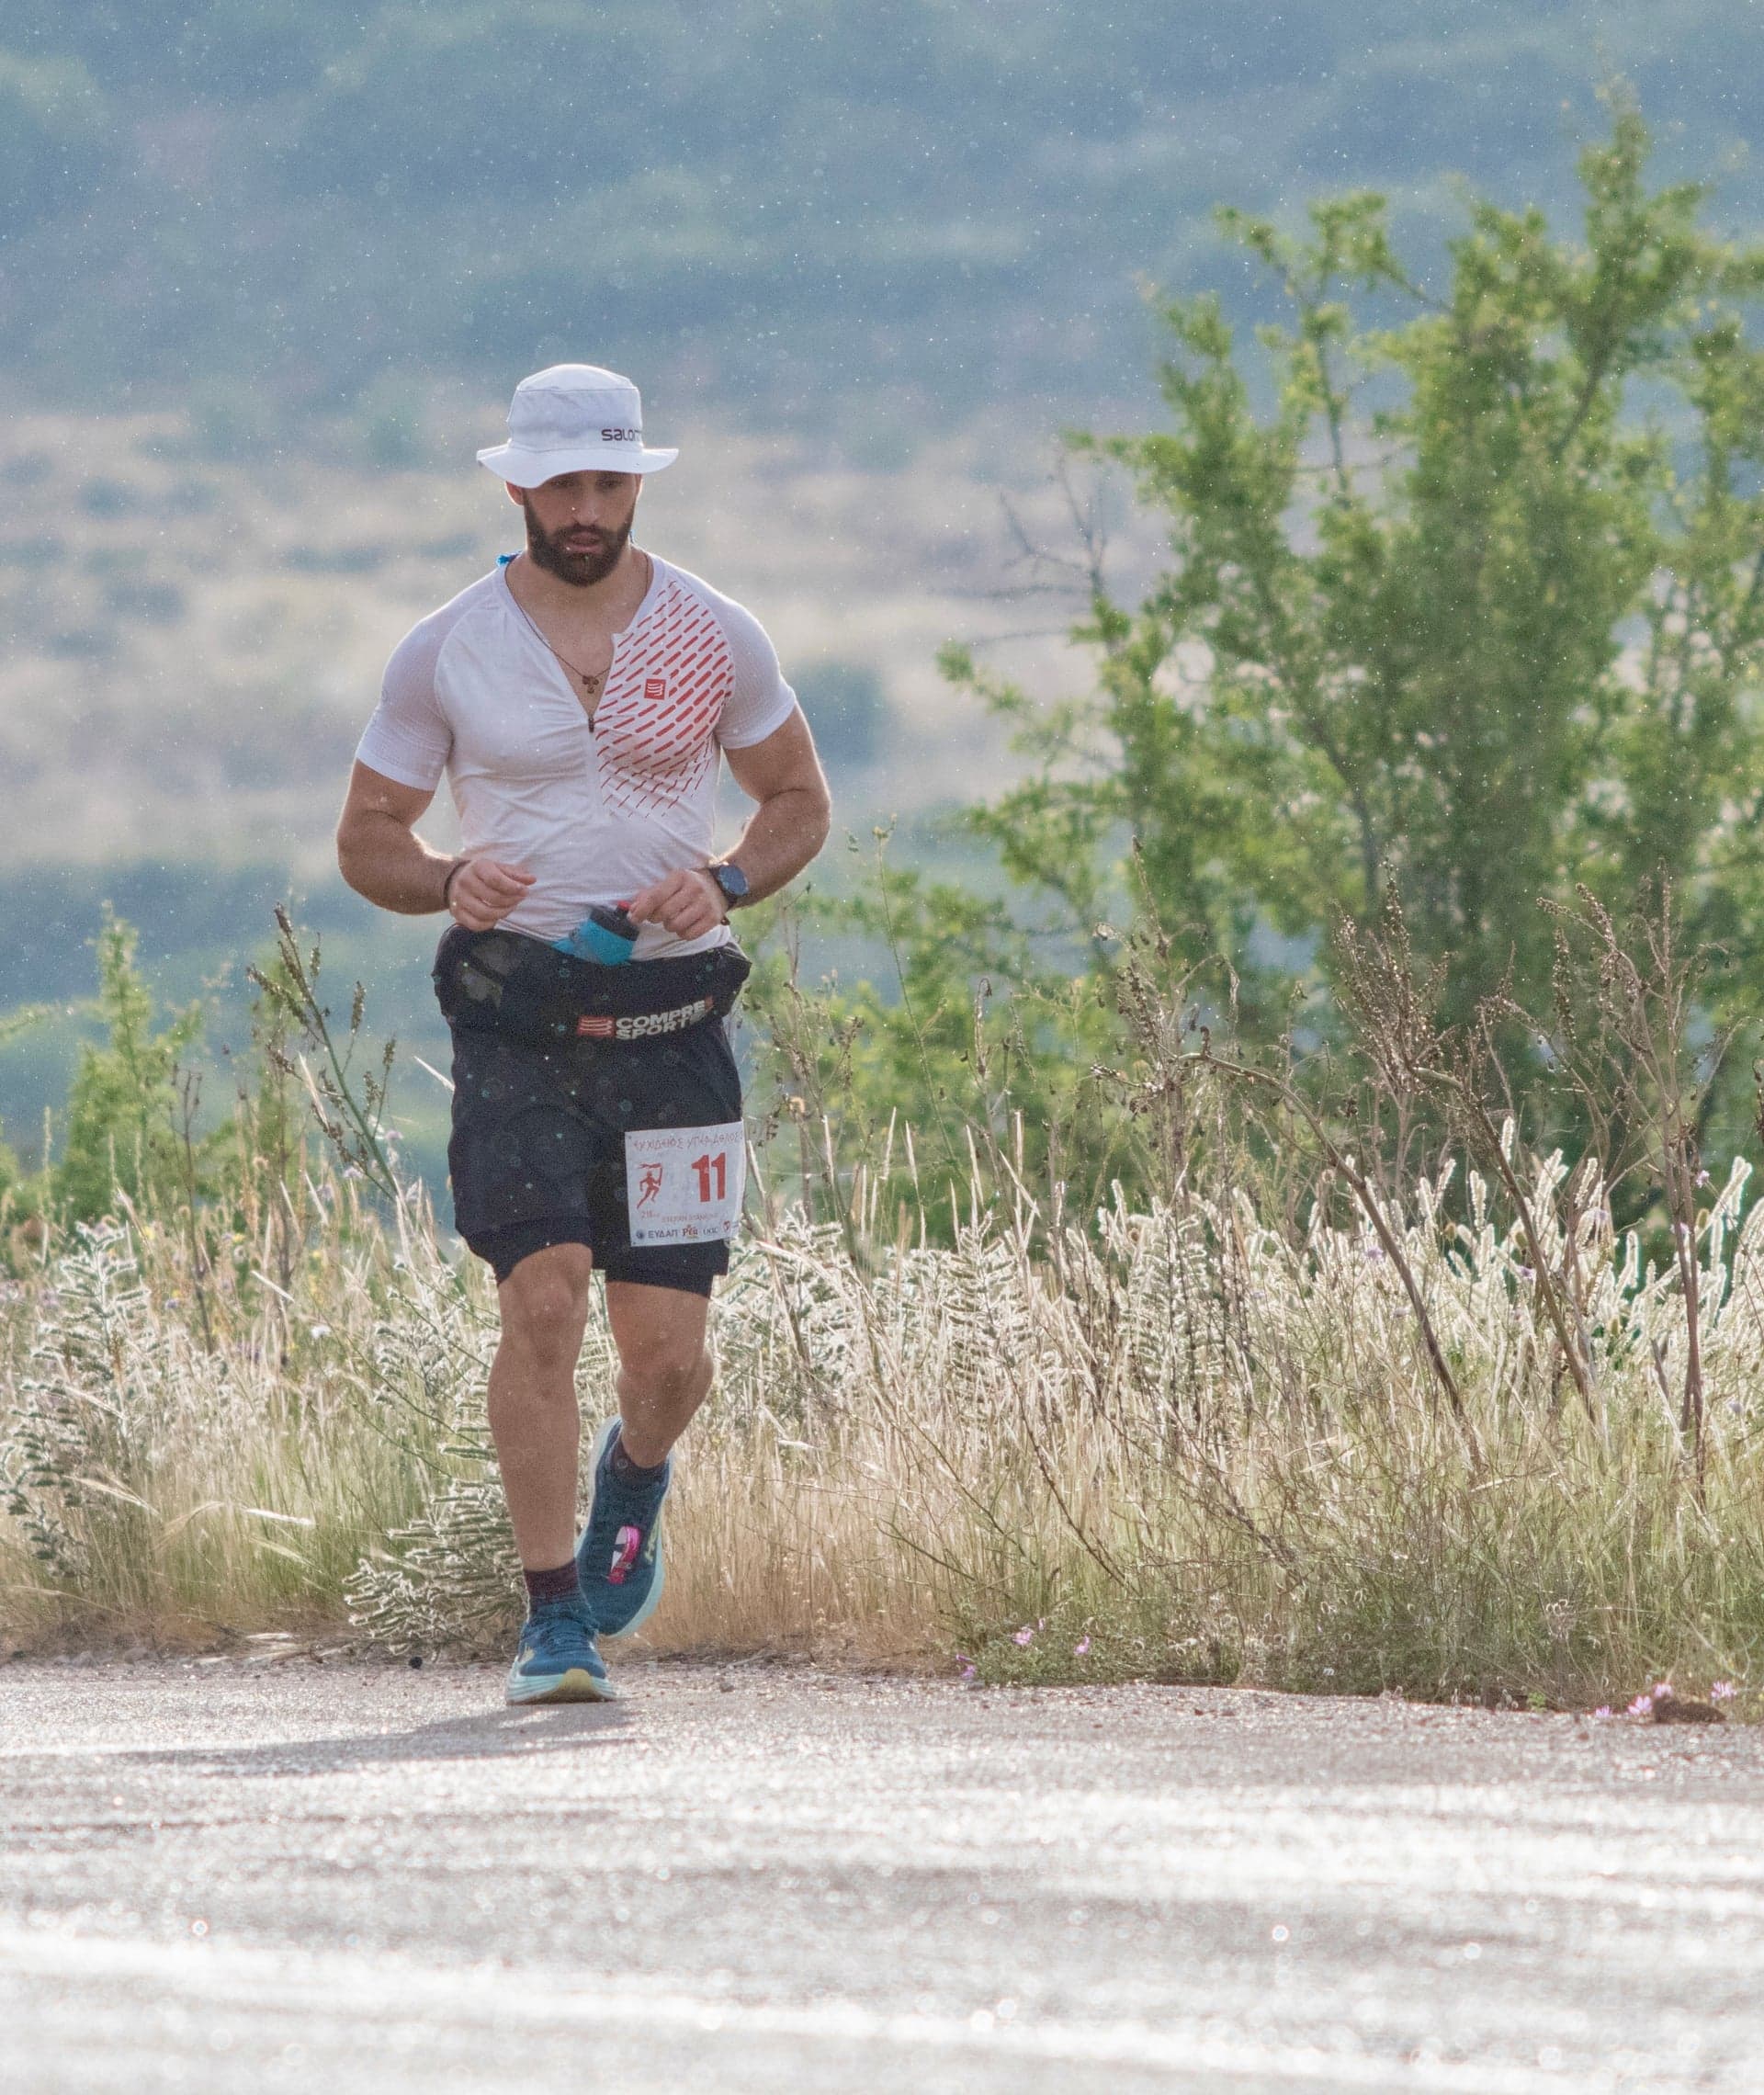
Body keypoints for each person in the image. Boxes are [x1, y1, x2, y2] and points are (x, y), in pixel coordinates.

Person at [336, 364, 831, 1704]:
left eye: (609, 483)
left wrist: (725, 880)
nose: (587, 508)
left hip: (674, 1024)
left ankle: (638, 1471)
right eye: (564, 485)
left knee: (668, 1359)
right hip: (518, 1020)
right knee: (542, 1297)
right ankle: (552, 1618)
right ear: (519, 489)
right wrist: (444, 878)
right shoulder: (449, 646)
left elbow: (795, 799)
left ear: (637, 486)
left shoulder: (716, 632)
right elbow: (367, 841)